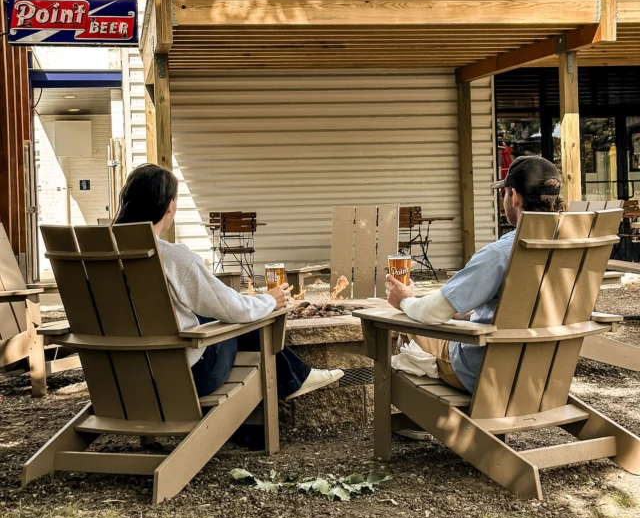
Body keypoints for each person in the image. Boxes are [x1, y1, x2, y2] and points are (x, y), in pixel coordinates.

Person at [114, 164, 343, 400]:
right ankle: (294, 380)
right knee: (244, 320)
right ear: (170, 207)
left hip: (119, 379)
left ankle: (295, 379)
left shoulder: (96, 259)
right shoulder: (172, 258)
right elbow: (233, 309)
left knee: (214, 313)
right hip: (184, 378)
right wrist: (268, 300)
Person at [386, 156, 562, 393]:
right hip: (547, 371)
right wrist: (477, 312)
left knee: (410, 324)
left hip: (487, 372)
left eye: (505, 194)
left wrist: (405, 299)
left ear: (515, 197)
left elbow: (430, 312)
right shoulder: (571, 247)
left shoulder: (501, 253)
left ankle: (418, 416)